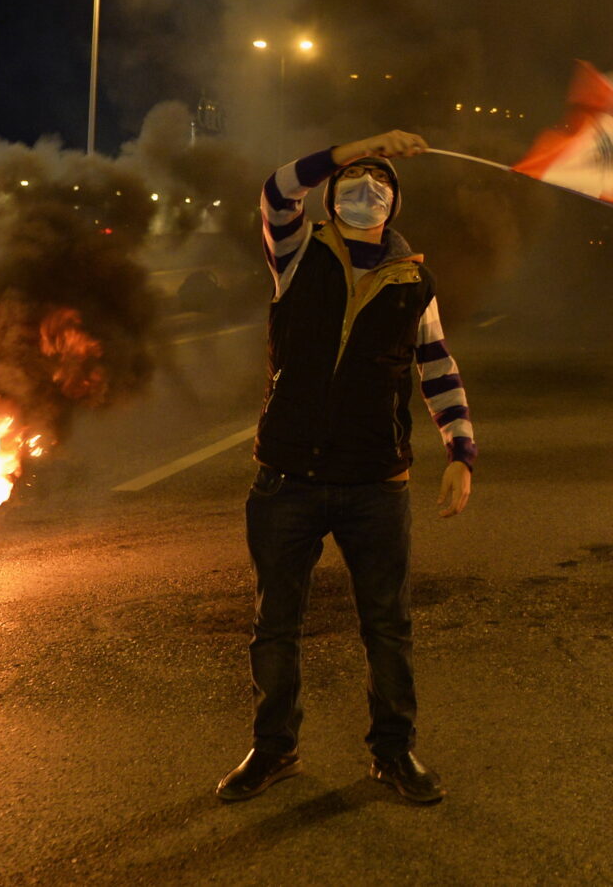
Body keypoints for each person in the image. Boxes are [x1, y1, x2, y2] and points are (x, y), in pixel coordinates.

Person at [216, 129, 476, 807]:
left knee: (387, 626)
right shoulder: (298, 253)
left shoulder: (413, 277)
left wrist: (460, 449)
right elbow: (277, 189)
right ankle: (273, 749)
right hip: (287, 478)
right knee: (276, 624)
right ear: (332, 194)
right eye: (355, 177)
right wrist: (355, 144)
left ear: (394, 200)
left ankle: (394, 752)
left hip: (376, 481)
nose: (367, 186)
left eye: (379, 178)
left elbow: (437, 365)